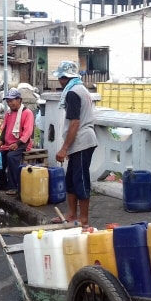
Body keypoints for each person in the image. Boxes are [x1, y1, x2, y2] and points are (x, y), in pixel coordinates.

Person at [52, 61, 98, 226]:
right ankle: (71, 214)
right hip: (78, 142)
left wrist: (64, 148)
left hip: (82, 141)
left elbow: (75, 123)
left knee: (81, 180)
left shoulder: (72, 92)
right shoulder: (81, 89)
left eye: (61, 78)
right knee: (70, 179)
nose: (59, 81)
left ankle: (83, 219)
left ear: (65, 78)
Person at [0, 88, 34, 196]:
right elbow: (5, 129)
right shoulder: (8, 113)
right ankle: (3, 184)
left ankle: (13, 186)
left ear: (19, 100)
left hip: (22, 143)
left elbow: (27, 132)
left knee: (11, 157)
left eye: (11, 100)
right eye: (8, 101)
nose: (9, 103)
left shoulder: (27, 113)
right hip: (8, 144)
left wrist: (17, 144)